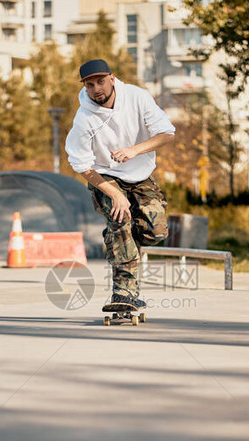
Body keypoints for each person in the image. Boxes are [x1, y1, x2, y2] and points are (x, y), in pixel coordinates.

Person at [64, 59, 175, 311]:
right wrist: (114, 193)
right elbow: (82, 165)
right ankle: (123, 293)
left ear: (112, 79)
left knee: (154, 232)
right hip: (105, 177)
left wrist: (135, 151)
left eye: (101, 82)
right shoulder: (84, 119)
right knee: (121, 221)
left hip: (140, 174)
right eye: (90, 85)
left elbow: (167, 132)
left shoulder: (137, 97)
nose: (96, 90)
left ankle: (116, 238)